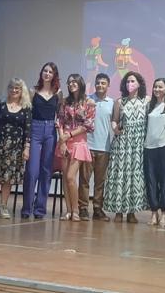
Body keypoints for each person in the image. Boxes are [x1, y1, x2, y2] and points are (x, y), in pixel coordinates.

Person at [0, 78, 32, 219]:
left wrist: (26, 148)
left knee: (8, 179)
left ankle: (3, 206)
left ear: (22, 90)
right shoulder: (1, 104)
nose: (14, 90)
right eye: (11, 87)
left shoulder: (26, 107)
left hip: (15, 150)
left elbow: (28, 131)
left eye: (17, 88)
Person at [103, 71, 148, 223]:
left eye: (133, 81)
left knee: (134, 178)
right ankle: (118, 212)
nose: (130, 84)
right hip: (122, 145)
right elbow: (114, 120)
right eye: (128, 81)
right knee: (120, 177)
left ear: (139, 84)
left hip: (138, 146)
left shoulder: (146, 101)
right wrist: (115, 128)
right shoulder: (120, 102)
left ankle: (131, 212)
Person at [21, 62, 61, 219]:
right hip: (35, 128)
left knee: (46, 171)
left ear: (54, 75)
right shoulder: (33, 91)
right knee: (32, 171)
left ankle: (40, 209)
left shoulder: (58, 93)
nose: (47, 74)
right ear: (41, 73)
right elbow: (27, 115)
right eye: (45, 71)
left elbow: (60, 114)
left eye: (50, 72)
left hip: (50, 130)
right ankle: (26, 208)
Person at [57, 74, 96, 221]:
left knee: (70, 177)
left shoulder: (89, 102)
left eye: (74, 81)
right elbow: (59, 121)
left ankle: (76, 210)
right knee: (65, 178)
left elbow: (88, 125)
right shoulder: (64, 102)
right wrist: (62, 141)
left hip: (79, 142)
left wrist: (69, 135)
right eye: (69, 82)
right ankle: (68, 210)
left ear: (80, 83)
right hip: (64, 141)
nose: (71, 84)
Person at [78, 73, 114, 221]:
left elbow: (115, 123)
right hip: (87, 145)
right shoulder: (87, 100)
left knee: (100, 181)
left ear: (108, 85)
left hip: (104, 147)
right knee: (84, 180)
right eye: (98, 83)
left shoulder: (112, 103)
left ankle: (98, 209)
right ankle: (83, 208)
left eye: (103, 83)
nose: (100, 85)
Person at [144, 78, 165, 227]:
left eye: (160, 87)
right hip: (149, 147)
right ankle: (154, 212)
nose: (157, 89)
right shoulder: (149, 105)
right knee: (151, 180)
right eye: (155, 87)